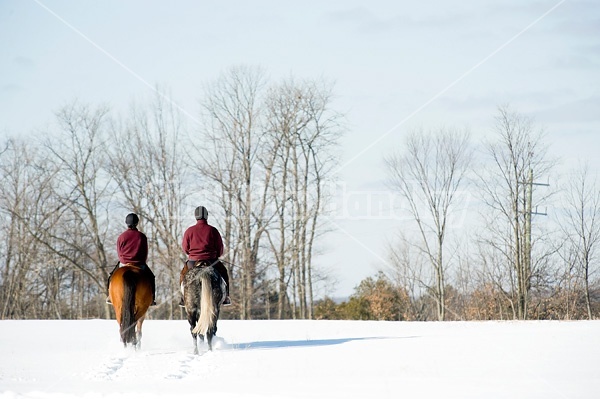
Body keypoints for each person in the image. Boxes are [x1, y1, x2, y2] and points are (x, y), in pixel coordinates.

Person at [180, 206, 231, 306]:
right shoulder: (213, 230)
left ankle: (183, 298)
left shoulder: (189, 231)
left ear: (195, 216)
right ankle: (226, 297)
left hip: (193, 261)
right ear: (207, 216)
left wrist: (192, 254)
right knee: (224, 272)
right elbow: (220, 249)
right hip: (212, 261)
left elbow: (185, 248)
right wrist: (217, 255)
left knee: (182, 275)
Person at [106, 213, 156, 306]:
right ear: (137, 223)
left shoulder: (122, 236)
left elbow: (119, 252)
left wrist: (123, 261)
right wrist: (141, 261)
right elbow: (145, 252)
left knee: (111, 277)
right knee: (151, 277)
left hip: (124, 263)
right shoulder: (142, 236)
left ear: (126, 223)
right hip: (139, 263)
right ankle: (152, 298)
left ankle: (109, 296)